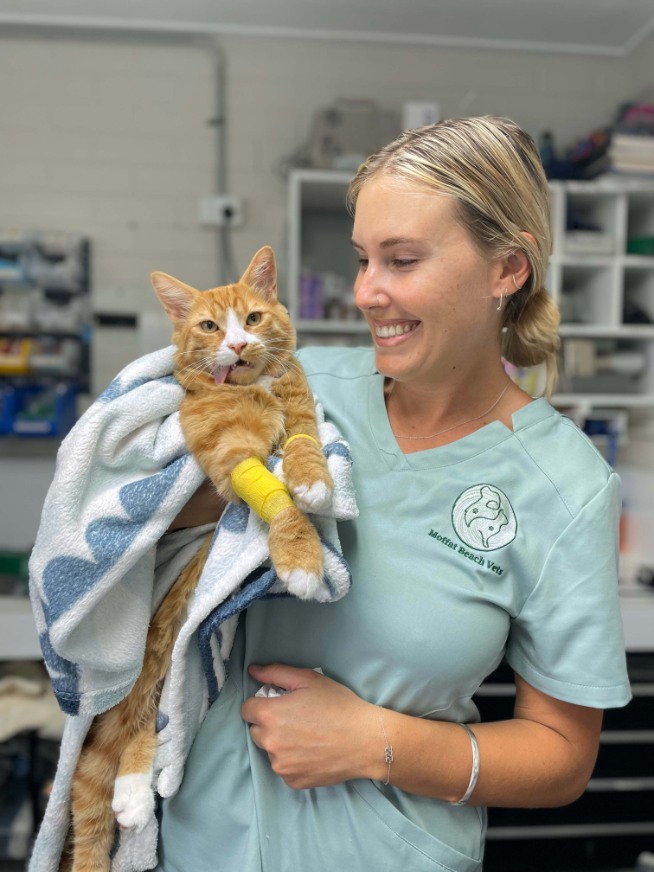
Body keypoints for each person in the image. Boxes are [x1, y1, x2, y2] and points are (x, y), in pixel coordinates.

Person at [150, 116, 631, 871]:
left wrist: (380, 745)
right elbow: (150, 532)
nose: (366, 292)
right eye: (363, 258)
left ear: (507, 270)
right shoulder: (298, 385)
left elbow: (563, 756)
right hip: (199, 846)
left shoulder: (565, 486)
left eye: (401, 260)